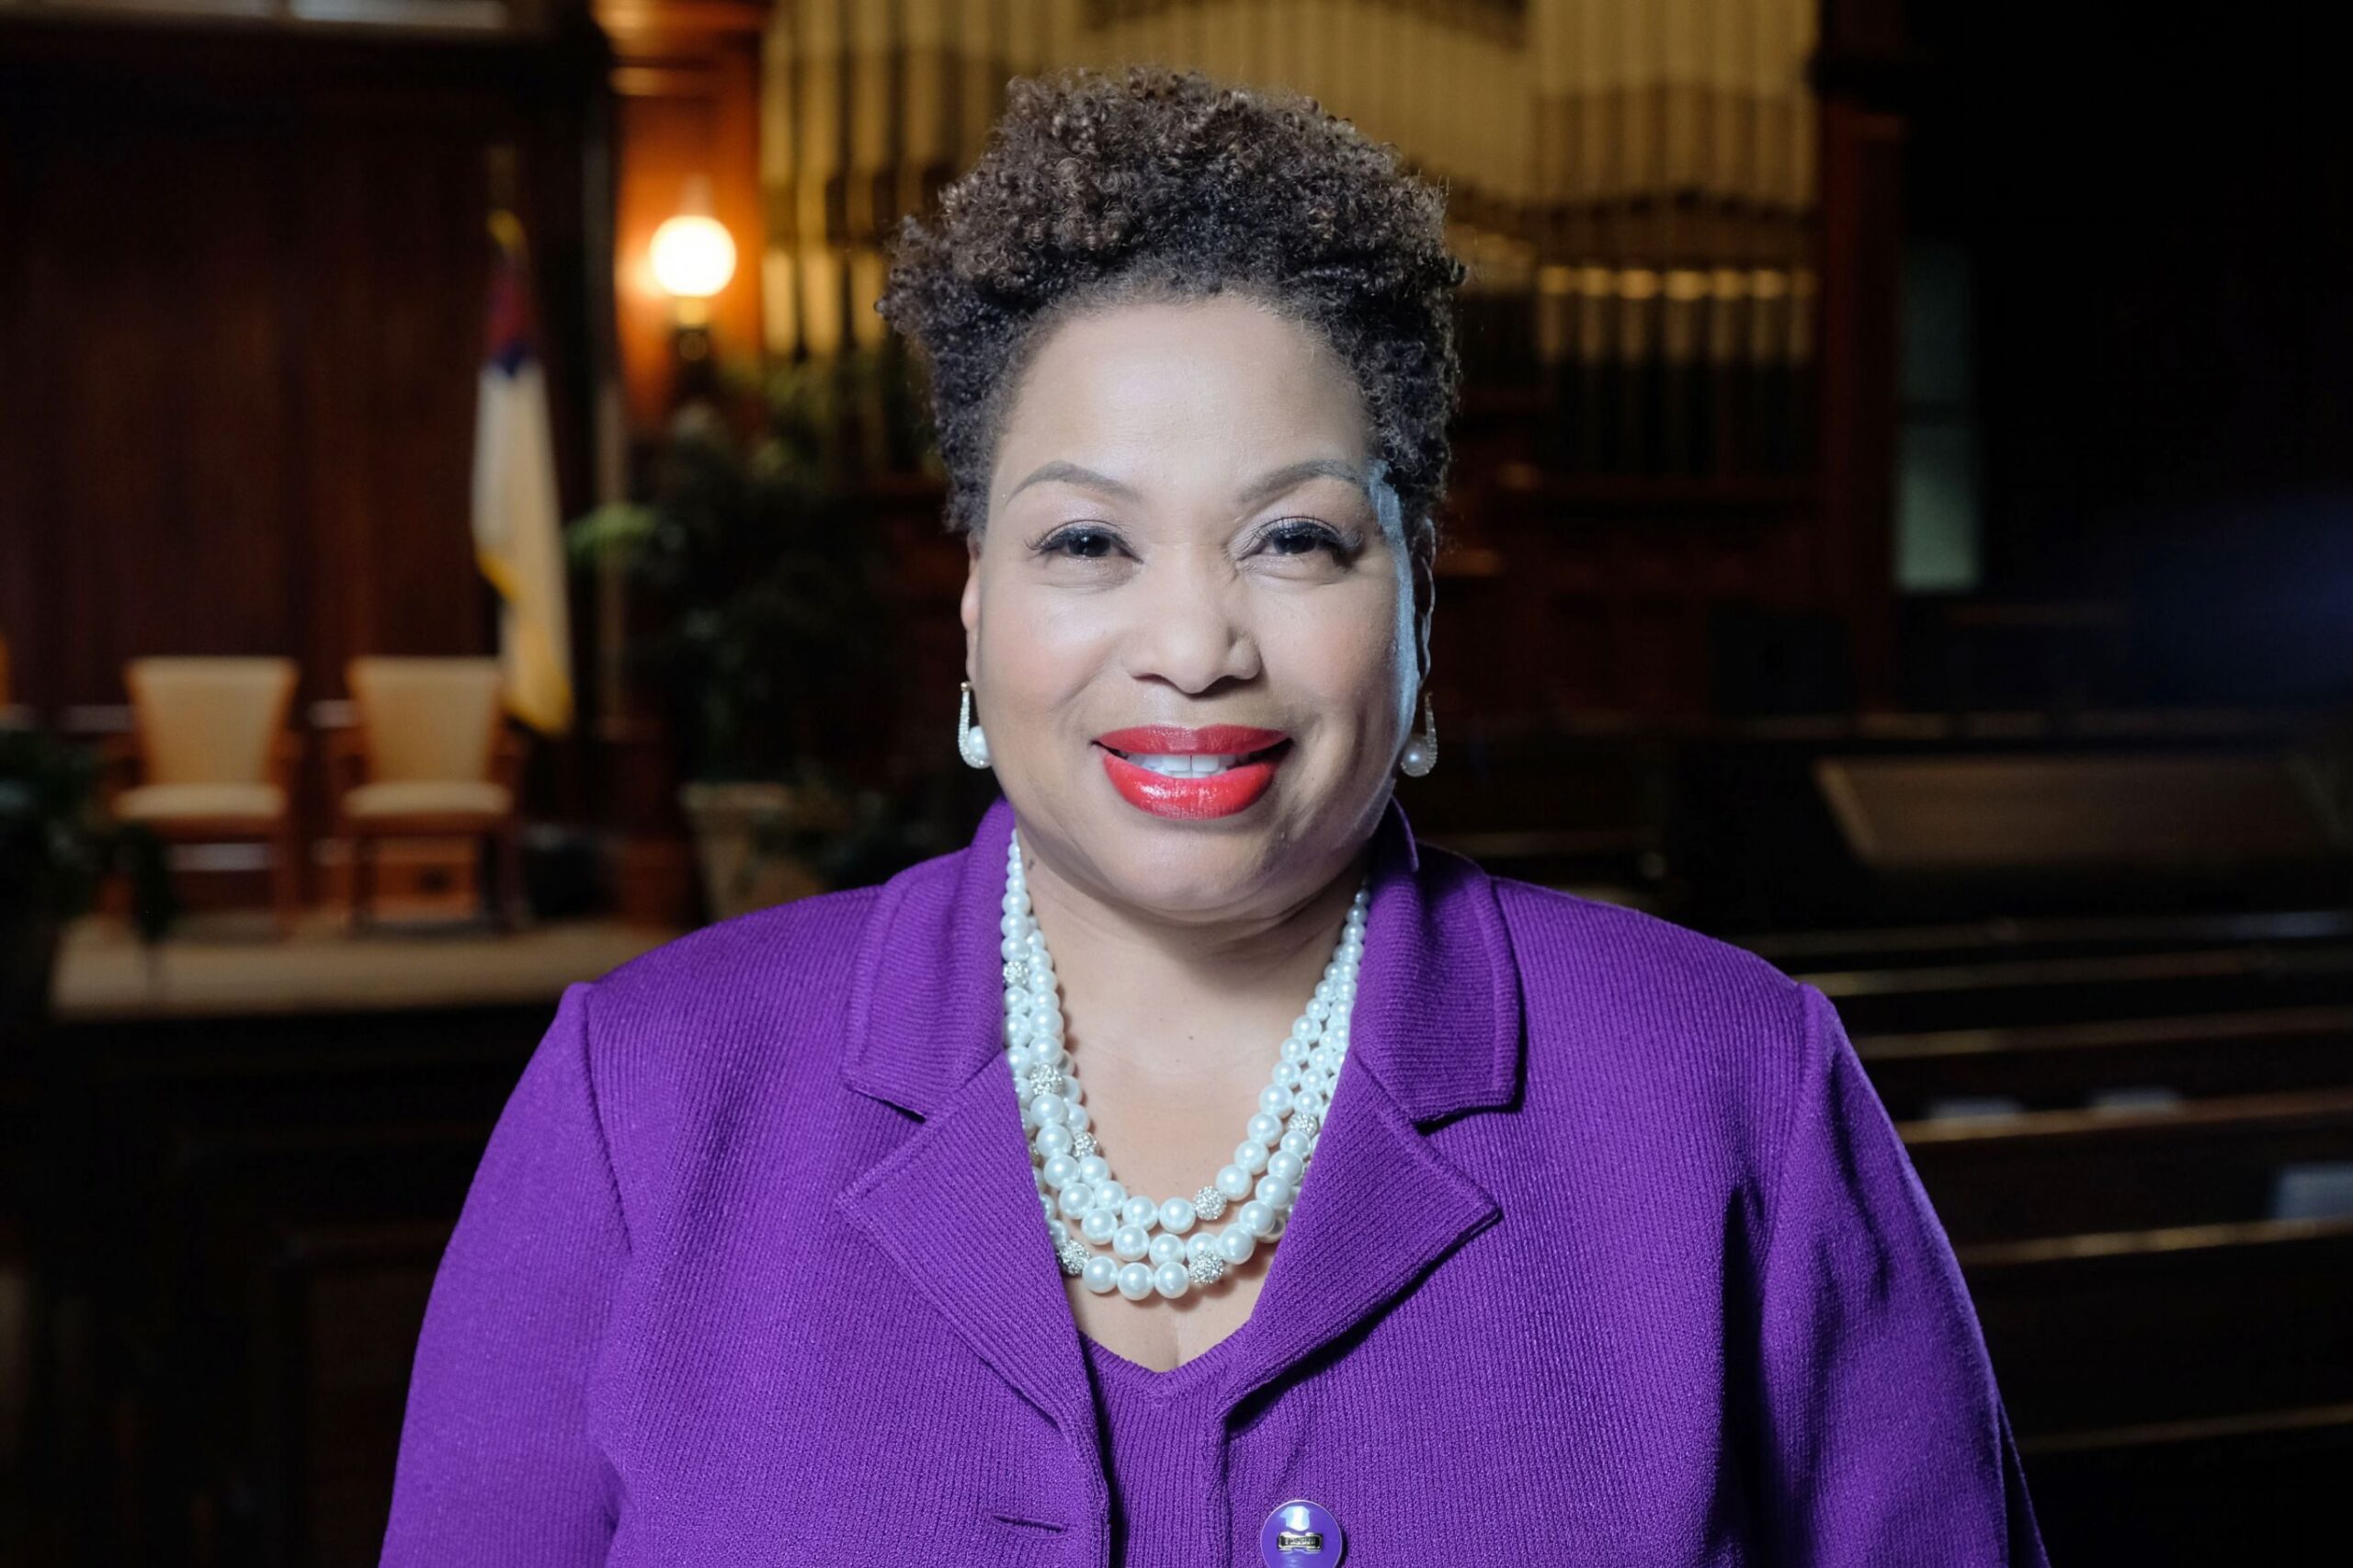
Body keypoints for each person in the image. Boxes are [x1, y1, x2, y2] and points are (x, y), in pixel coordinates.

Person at [382, 64, 2047, 1567]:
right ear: (973, 613)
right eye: (1089, 543)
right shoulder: (650, 1096)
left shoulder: (1733, 1092)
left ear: (1418, 611)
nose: (1192, 646)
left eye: (1298, 539)